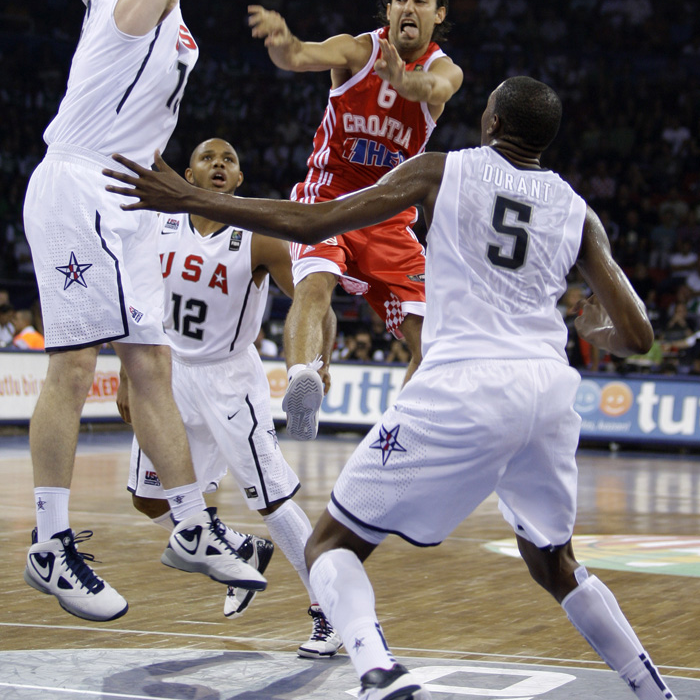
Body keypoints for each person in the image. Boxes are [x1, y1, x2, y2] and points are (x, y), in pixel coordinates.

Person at [105, 67, 676, 700]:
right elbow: (638, 333)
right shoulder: (577, 209)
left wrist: (193, 200)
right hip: (547, 390)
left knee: (329, 543)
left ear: (491, 122)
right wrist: (592, 324)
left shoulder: (440, 170)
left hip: (464, 382)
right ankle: (651, 687)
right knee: (555, 561)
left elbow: (316, 221)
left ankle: (377, 670)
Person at [21, 0, 335, 624]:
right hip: (80, 186)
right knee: (76, 365)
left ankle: (194, 523)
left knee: (150, 364)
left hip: (122, 196)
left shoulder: (159, 7)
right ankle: (49, 543)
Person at [119, 137, 341, 657]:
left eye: (230, 160)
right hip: (168, 373)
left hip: (229, 380)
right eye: (207, 158)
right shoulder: (159, 223)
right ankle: (237, 547)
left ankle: (326, 606)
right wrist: (130, 372)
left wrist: (317, 360)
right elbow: (135, 299)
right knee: (149, 499)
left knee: (272, 498)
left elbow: (316, 300)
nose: (219, 164)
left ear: (239, 180)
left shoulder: (259, 235)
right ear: (189, 175)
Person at [247, 0, 463, 440]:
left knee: (434, 343)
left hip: (389, 217)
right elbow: (300, 55)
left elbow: (434, 91)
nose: (409, 7)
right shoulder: (357, 49)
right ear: (388, 9)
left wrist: (402, 80)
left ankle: (401, 435)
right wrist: (283, 41)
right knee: (315, 285)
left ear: (438, 13)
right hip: (328, 197)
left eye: (421, 0)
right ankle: (303, 380)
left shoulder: (444, 69)